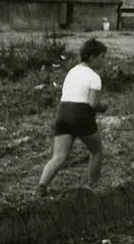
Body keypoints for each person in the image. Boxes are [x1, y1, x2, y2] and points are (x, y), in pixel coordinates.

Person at [37, 38, 108, 196]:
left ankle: (42, 185)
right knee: (96, 150)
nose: (104, 61)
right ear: (92, 57)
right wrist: (103, 107)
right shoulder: (94, 77)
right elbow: (93, 104)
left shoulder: (72, 71)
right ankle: (94, 186)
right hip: (81, 115)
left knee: (59, 156)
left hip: (63, 113)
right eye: (102, 57)